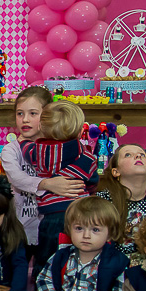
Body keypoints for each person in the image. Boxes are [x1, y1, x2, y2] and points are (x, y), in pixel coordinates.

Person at [0, 85, 85, 248]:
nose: (25, 119)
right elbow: (17, 178)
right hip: (22, 225)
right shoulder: (11, 150)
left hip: (55, 224)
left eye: (33, 113)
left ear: (47, 116)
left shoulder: (61, 148)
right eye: (20, 113)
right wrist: (47, 184)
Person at [20, 99, 98, 274]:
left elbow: (26, 150)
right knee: (76, 253)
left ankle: (42, 281)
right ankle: (74, 280)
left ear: (41, 126)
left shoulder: (38, 150)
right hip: (80, 211)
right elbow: (92, 180)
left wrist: (23, 141)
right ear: (80, 130)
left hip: (52, 214)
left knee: (47, 254)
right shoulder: (84, 152)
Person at [97, 143, 146, 263]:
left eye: (142, 155)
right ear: (116, 171)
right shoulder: (104, 199)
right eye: (128, 155)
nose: (138, 156)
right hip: (113, 264)